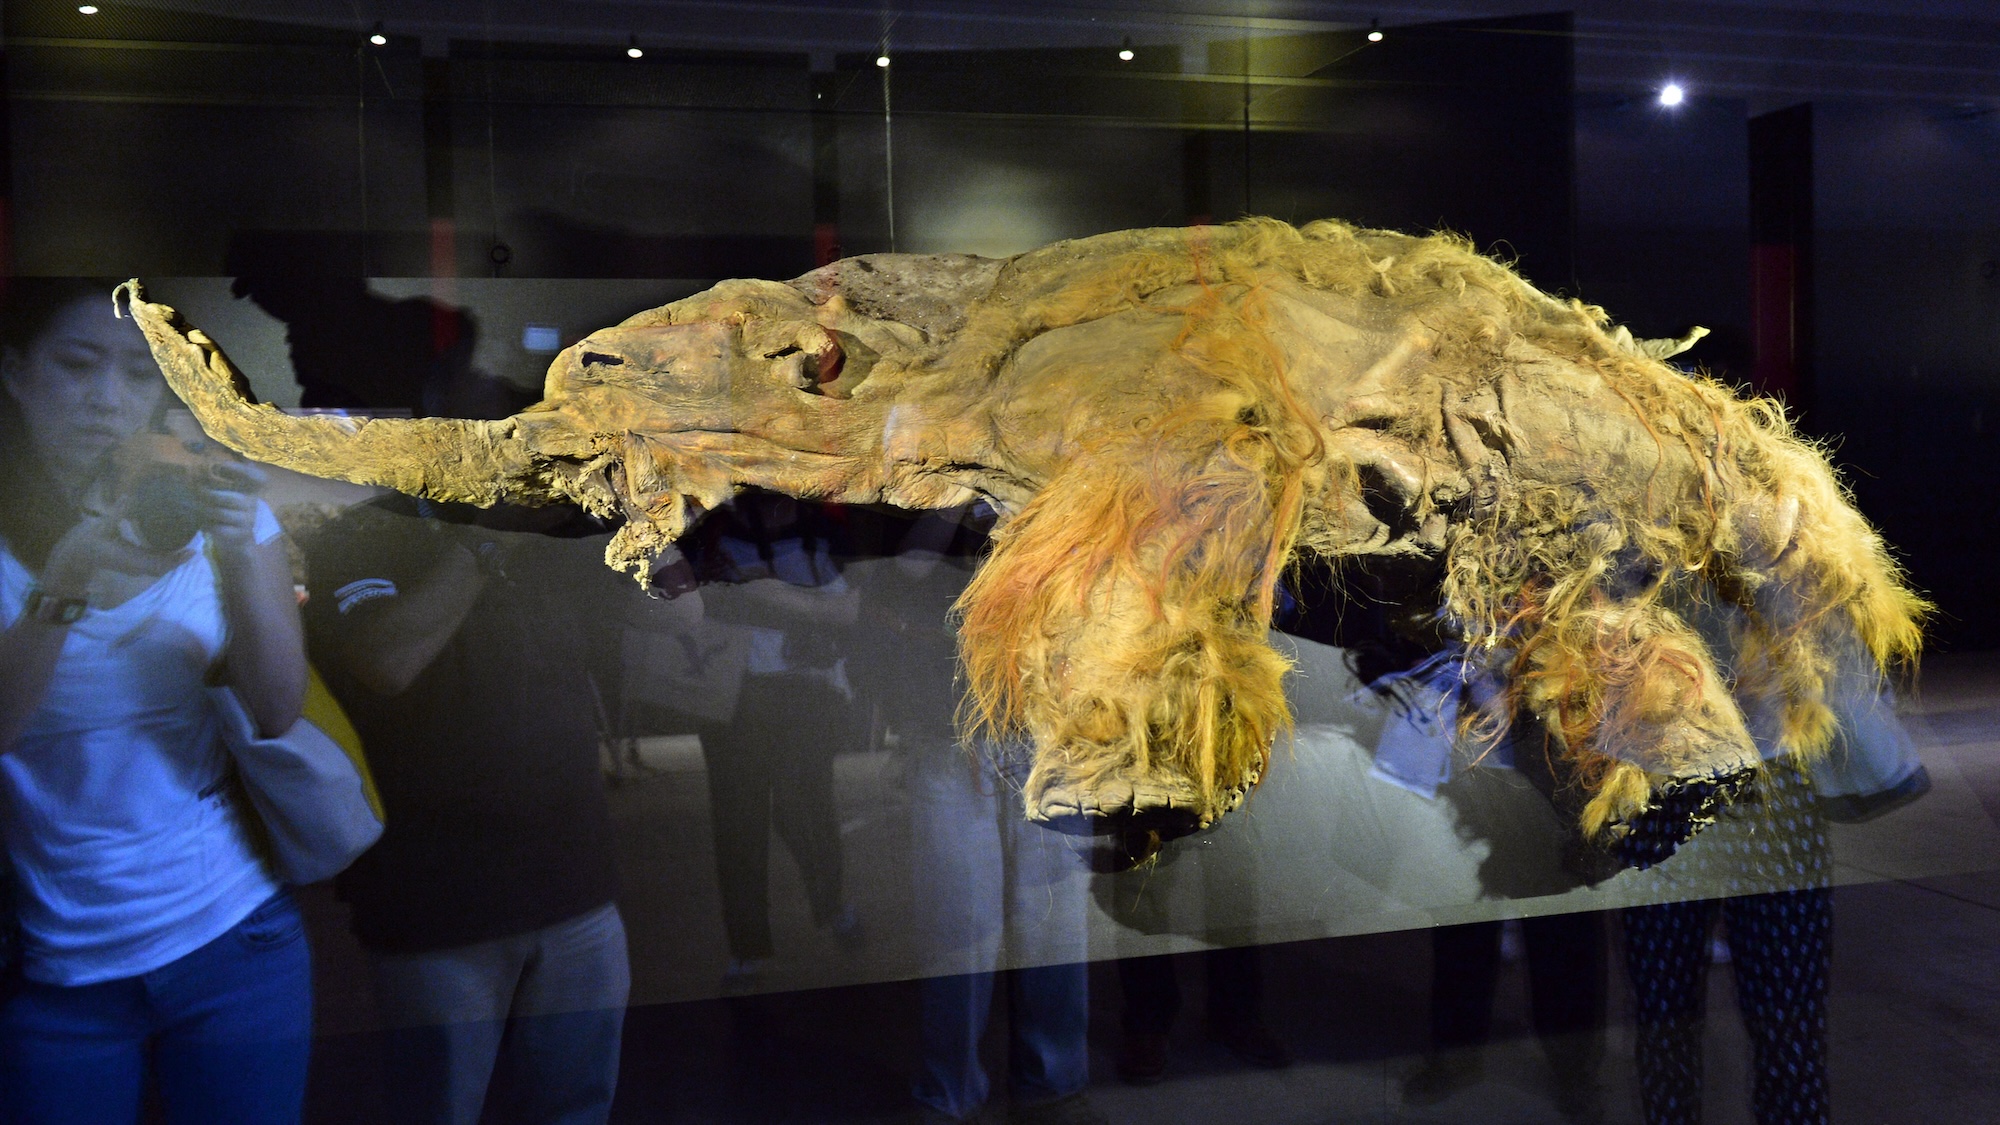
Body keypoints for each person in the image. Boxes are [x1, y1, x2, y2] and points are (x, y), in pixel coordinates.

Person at [0, 279, 312, 1124]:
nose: (107, 398)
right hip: (54, 971)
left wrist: (241, 536)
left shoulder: (214, 510)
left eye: (139, 375)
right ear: (17, 372)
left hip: (236, 940)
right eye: (76, 365)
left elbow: (279, 705)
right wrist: (62, 582)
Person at [304, 487, 695, 1125]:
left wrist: (634, 508)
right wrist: (490, 538)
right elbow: (386, 660)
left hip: (574, 886)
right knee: (441, 1106)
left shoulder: (557, 533)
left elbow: (682, 613)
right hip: (436, 903)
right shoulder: (367, 533)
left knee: (573, 1106)